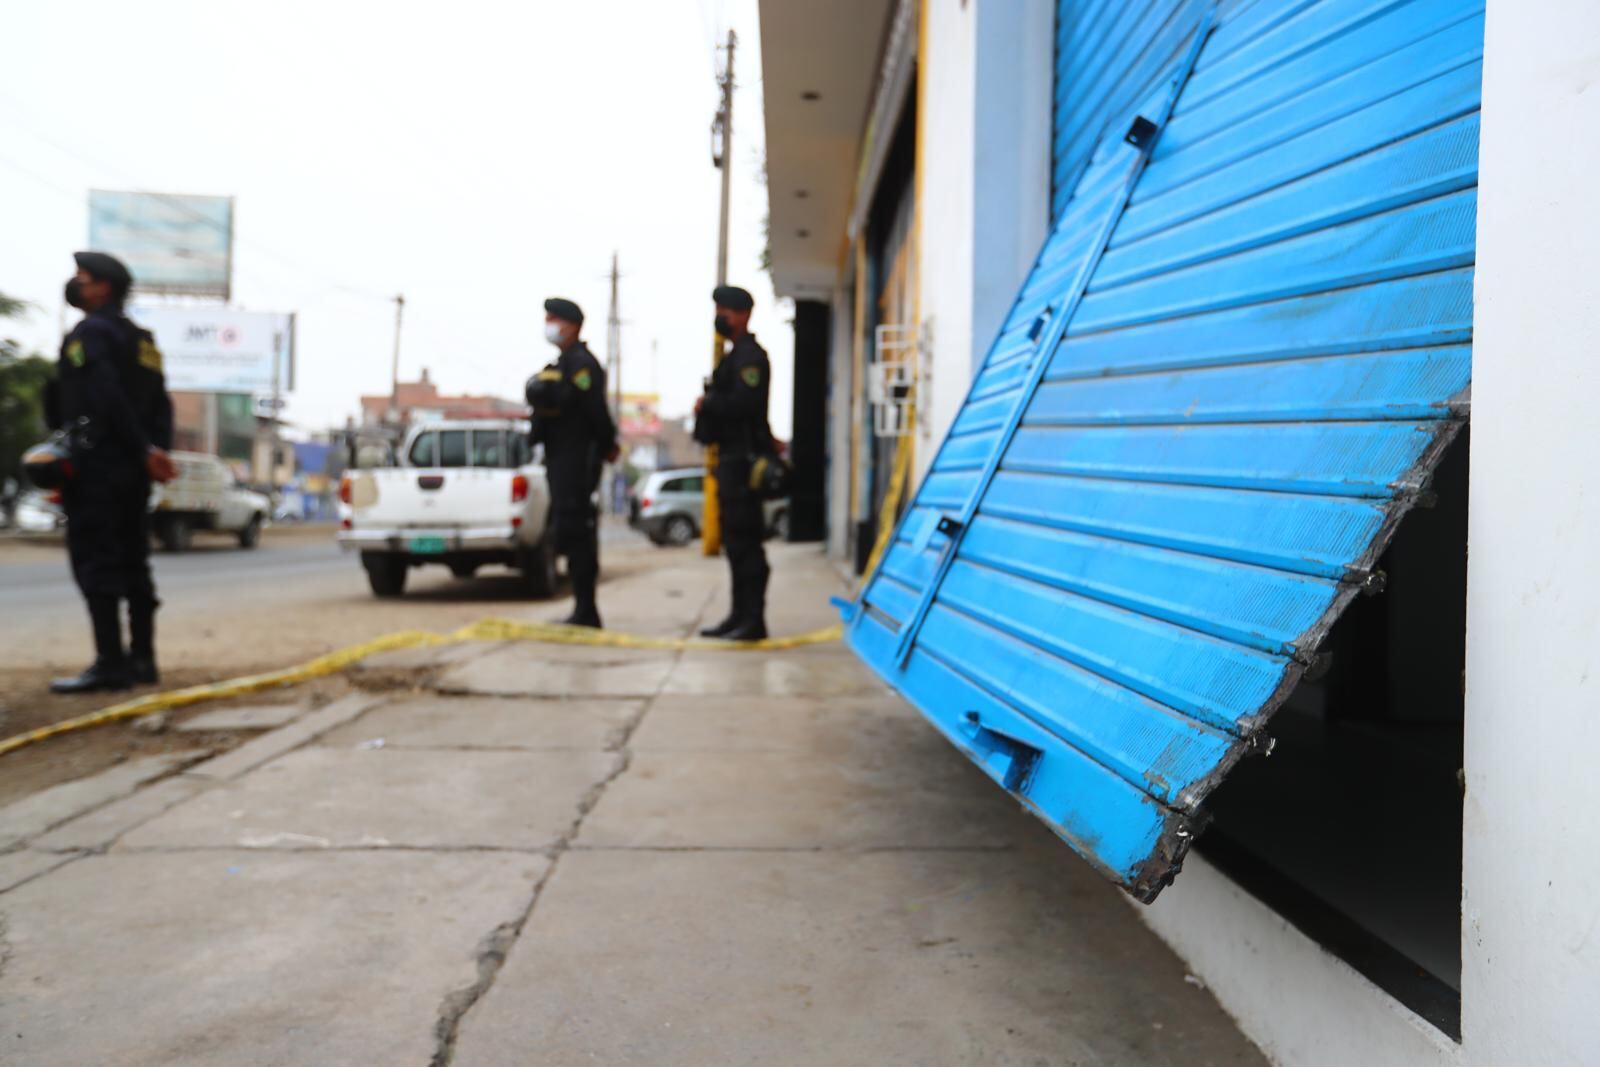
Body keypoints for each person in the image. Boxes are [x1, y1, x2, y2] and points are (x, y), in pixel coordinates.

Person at [44, 251, 176, 694]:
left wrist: (139, 449)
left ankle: (110, 664)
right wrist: (155, 452)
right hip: (134, 468)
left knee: (96, 560)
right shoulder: (143, 340)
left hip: (98, 463)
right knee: (133, 560)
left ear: (103, 287)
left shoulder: (90, 333)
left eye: (82, 277)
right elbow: (162, 402)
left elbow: (103, 393)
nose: (75, 283)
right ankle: (143, 660)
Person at [526, 297, 618, 628]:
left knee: (578, 533)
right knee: (569, 532)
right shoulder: (562, 364)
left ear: (573, 325)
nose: (549, 325)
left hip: (577, 461)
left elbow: (595, 412)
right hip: (561, 460)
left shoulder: (581, 365)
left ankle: (586, 611)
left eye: (554, 319)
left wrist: (608, 444)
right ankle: (582, 608)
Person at [695, 285, 772, 641]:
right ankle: (738, 615)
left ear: (743, 314)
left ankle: (752, 619)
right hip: (730, 459)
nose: (719, 316)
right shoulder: (733, 356)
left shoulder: (750, 357)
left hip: (743, 461)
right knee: (735, 542)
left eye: (725, 310)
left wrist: (708, 404)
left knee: (746, 542)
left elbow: (746, 405)